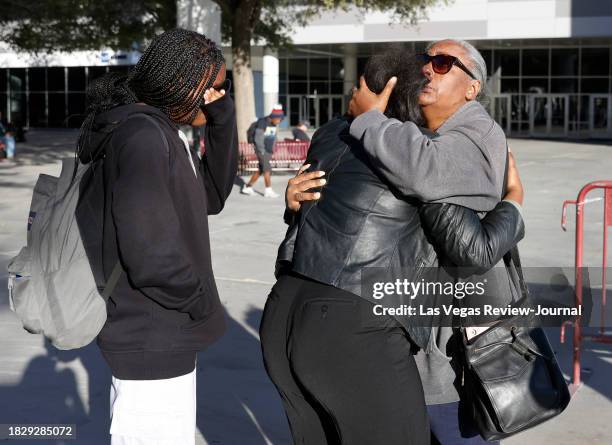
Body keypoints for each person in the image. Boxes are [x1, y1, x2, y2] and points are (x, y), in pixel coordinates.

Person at [261, 46, 525, 445]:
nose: (429, 69)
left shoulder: (337, 133)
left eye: (442, 63)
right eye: (426, 61)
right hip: (355, 325)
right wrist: (514, 203)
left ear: (473, 88)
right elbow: (472, 246)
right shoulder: (412, 150)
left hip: (287, 313)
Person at [75, 29, 237, 445]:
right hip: (152, 333)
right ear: (185, 83)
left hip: (161, 330)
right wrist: (197, 298)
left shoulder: (159, 131)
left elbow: (212, 197)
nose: (219, 95)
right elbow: (149, 252)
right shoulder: (143, 136)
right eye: (216, 87)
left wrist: (222, 121)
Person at [241, 104, 284, 198]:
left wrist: (273, 149)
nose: (279, 121)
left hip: (268, 150)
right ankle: (268, 190)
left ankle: (247, 187)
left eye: (280, 119)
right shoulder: (262, 122)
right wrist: (262, 151)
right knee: (267, 169)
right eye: (278, 119)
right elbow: (258, 138)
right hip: (262, 150)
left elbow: (272, 137)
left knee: (261, 169)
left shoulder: (273, 123)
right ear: (273, 117)